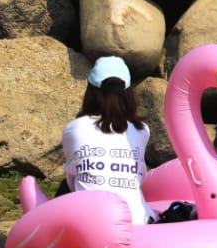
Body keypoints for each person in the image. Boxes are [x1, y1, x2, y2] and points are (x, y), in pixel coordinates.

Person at [59, 56, 196, 224]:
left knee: (67, 185)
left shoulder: (74, 129)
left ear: (90, 93)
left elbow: (72, 180)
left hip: (90, 226)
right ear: (128, 94)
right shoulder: (141, 130)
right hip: (137, 221)